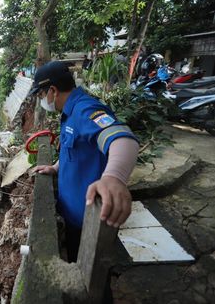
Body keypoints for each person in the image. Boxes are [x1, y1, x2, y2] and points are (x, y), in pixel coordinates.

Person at [29, 61, 139, 262]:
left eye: (41, 95)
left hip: (89, 222)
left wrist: (114, 177)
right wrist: (55, 168)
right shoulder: (69, 113)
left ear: (52, 90)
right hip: (73, 216)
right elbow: (76, 151)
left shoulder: (84, 109)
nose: (42, 100)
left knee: (91, 281)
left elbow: (122, 139)